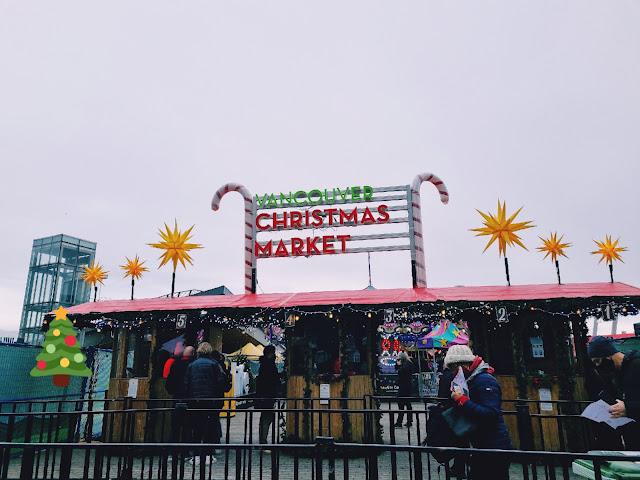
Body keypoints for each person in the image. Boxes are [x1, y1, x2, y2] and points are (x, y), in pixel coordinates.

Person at [448, 345, 513, 480]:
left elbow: (490, 413)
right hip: (484, 445)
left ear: (463, 364)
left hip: (494, 447)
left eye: (455, 367)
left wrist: (462, 401)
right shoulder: (471, 380)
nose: (453, 371)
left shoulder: (484, 380)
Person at [588, 335, 640, 449]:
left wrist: (628, 408)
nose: (597, 365)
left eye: (597, 361)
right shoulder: (618, 373)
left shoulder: (637, 365)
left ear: (608, 355)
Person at [184, 342, 224, 465]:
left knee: (197, 428)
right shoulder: (214, 364)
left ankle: (196, 454)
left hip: (195, 401)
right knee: (209, 428)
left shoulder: (192, 365)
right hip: (210, 401)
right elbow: (220, 382)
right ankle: (207, 454)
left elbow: (186, 383)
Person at [165, 345, 195, 443]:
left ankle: (171, 451)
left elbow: (169, 384)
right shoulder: (192, 365)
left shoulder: (175, 364)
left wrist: (173, 391)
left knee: (175, 425)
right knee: (188, 425)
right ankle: (186, 450)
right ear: (193, 354)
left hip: (177, 397)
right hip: (189, 398)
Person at [256, 345, 280, 446]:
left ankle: (262, 439)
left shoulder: (263, 363)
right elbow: (273, 379)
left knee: (264, 417)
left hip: (263, 394)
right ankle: (263, 440)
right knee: (267, 417)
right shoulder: (270, 364)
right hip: (269, 394)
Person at [394, 351, 414, 428]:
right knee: (406, 403)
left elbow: (403, 372)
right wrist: (398, 363)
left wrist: (400, 365)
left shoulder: (408, 364)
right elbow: (396, 368)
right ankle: (407, 421)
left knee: (403, 403)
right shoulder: (406, 363)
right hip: (404, 385)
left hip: (405, 386)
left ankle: (401, 421)